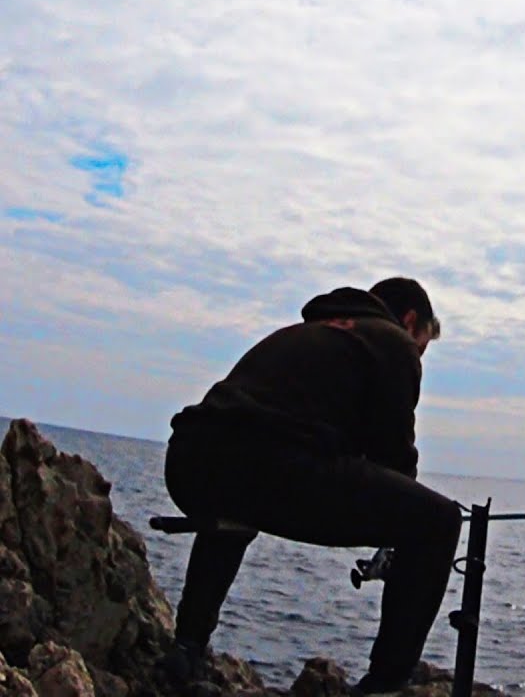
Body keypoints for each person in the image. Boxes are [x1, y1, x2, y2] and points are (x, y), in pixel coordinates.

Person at [161, 277, 462, 695]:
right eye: (423, 345)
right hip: (270, 467)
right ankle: (387, 682)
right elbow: (393, 458)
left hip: (189, 460)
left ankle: (187, 646)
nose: (419, 356)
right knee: (439, 520)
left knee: (236, 509)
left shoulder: (306, 333)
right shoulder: (392, 340)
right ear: (411, 321)